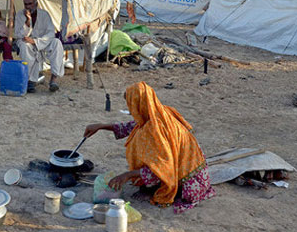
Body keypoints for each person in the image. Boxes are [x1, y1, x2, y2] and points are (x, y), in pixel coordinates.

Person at [83, 82, 215, 213]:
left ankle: (154, 189)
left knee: (146, 154)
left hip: (190, 183)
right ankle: (150, 188)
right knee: (142, 144)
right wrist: (100, 126)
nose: (130, 109)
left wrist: (127, 175)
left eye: (131, 105)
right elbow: (129, 127)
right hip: (186, 171)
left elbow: (163, 167)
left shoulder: (156, 129)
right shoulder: (156, 112)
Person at [14, 0, 64, 93]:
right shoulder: (20, 15)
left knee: (56, 43)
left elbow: (50, 33)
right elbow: (19, 35)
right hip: (26, 41)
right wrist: (27, 21)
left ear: (36, 4)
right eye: (25, 4)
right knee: (25, 46)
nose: (28, 6)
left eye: (30, 4)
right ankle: (30, 81)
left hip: (42, 41)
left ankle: (53, 79)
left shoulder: (44, 14)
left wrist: (36, 42)